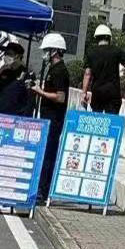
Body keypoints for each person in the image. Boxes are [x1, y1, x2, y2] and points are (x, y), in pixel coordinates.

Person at [31, 32, 70, 199]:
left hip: (54, 119)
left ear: (54, 51)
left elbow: (60, 97)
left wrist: (40, 92)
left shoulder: (60, 71)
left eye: (46, 50)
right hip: (47, 117)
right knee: (44, 153)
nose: (44, 54)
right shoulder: (52, 69)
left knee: (49, 155)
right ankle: (41, 186)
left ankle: (44, 190)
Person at [81, 23, 125, 114]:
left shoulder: (91, 53)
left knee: (97, 119)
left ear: (96, 38)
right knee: (112, 120)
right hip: (113, 93)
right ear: (109, 38)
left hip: (97, 93)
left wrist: (84, 93)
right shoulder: (117, 51)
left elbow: (87, 74)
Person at [0, 40, 33, 117]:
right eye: (5, 54)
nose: (5, 56)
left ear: (17, 56)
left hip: (15, 118)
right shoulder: (4, 72)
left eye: (9, 54)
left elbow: (29, 102)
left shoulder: (27, 75)